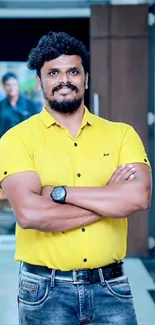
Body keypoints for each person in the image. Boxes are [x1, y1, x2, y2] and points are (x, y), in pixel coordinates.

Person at [0, 31, 152, 325]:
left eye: (73, 71)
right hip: (44, 291)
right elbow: (29, 214)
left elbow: (138, 196)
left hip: (112, 288)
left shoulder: (121, 134)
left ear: (86, 77)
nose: (64, 79)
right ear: (39, 81)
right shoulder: (15, 140)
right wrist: (108, 198)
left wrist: (59, 193)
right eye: (53, 72)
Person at [0, 72, 40, 137]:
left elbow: (38, 125)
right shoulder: (1, 106)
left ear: (18, 85)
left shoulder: (30, 105)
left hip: (26, 142)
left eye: (14, 84)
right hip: (6, 143)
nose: (12, 87)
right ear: (4, 86)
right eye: (8, 85)